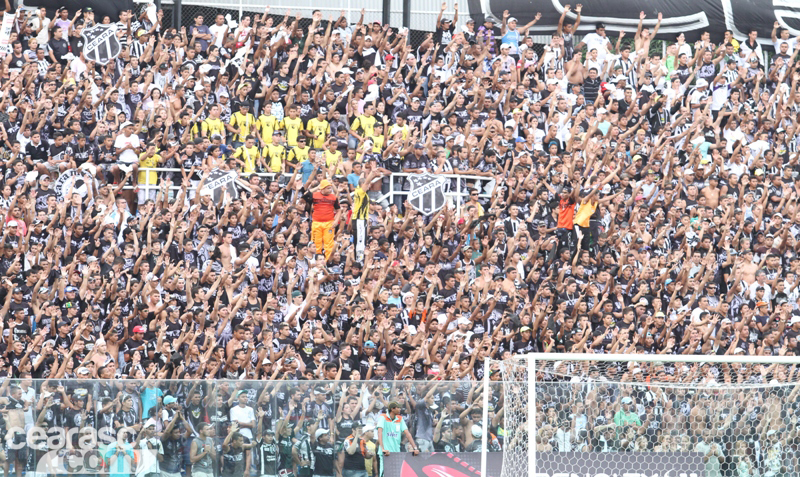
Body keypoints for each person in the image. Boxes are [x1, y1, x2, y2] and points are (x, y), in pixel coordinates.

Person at [377, 402, 420, 476]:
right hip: (385, 453)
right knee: (385, 474)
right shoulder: (383, 417)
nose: (400, 409)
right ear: (392, 409)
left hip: (396, 453)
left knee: (396, 474)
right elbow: (379, 432)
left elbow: (407, 434)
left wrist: (415, 448)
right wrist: (383, 448)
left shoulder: (400, 418)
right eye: (398, 408)